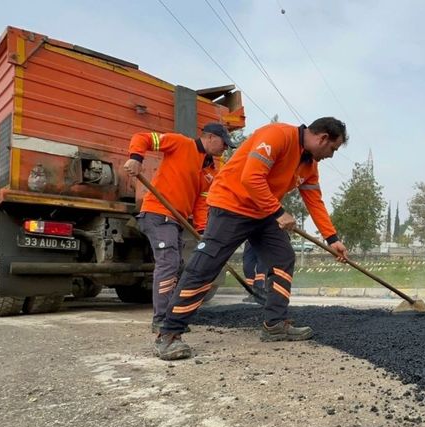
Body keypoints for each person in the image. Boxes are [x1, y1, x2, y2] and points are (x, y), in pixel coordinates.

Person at [153, 117, 349, 360]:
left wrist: (332, 239)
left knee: (283, 257)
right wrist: (279, 213)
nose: (331, 155)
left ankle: (275, 324)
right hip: (231, 205)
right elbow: (251, 177)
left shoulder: (309, 165)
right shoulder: (278, 136)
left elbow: (314, 201)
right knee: (205, 266)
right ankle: (169, 334)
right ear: (323, 138)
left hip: (263, 212)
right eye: (333, 149)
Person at [123, 123, 234, 333]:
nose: (225, 148)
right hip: (157, 213)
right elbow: (142, 137)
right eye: (224, 143)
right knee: (169, 263)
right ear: (210, 137)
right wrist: (136, 158)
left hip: (176, 220)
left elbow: (201, 203)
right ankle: (161, 320)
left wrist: (203, 231)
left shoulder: (211, 170)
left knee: (178, 266)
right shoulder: (180, 143)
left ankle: (171, 316)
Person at [242, 240, 267, 304]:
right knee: (247, 267)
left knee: (261, 268)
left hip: (263, 242)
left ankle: (258, 293)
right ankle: (251, 292)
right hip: (249, 242)